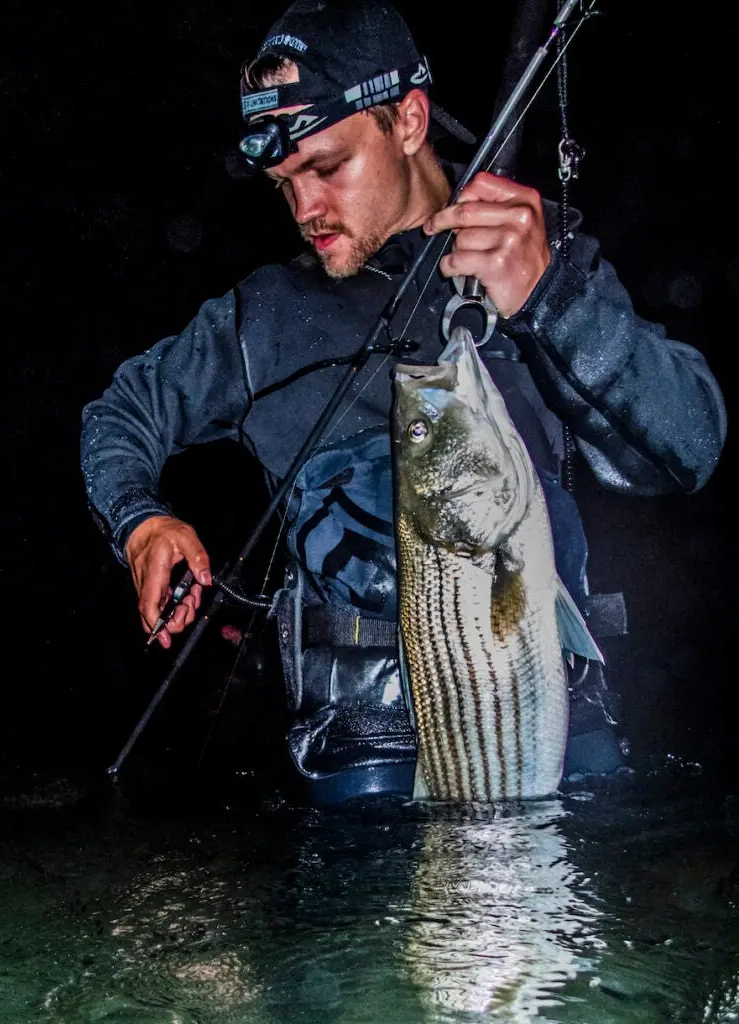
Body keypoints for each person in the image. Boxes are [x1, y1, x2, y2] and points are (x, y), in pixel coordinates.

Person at [80, 1, 726, 803]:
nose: (304, 209)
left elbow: (689, 446)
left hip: (554, 744)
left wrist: (550, 299)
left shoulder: (534, 255)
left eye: (326, 168)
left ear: (409, 120)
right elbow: (118, 416)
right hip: (363, 772)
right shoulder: (263, 318)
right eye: (285, 184)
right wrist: (142, 521)